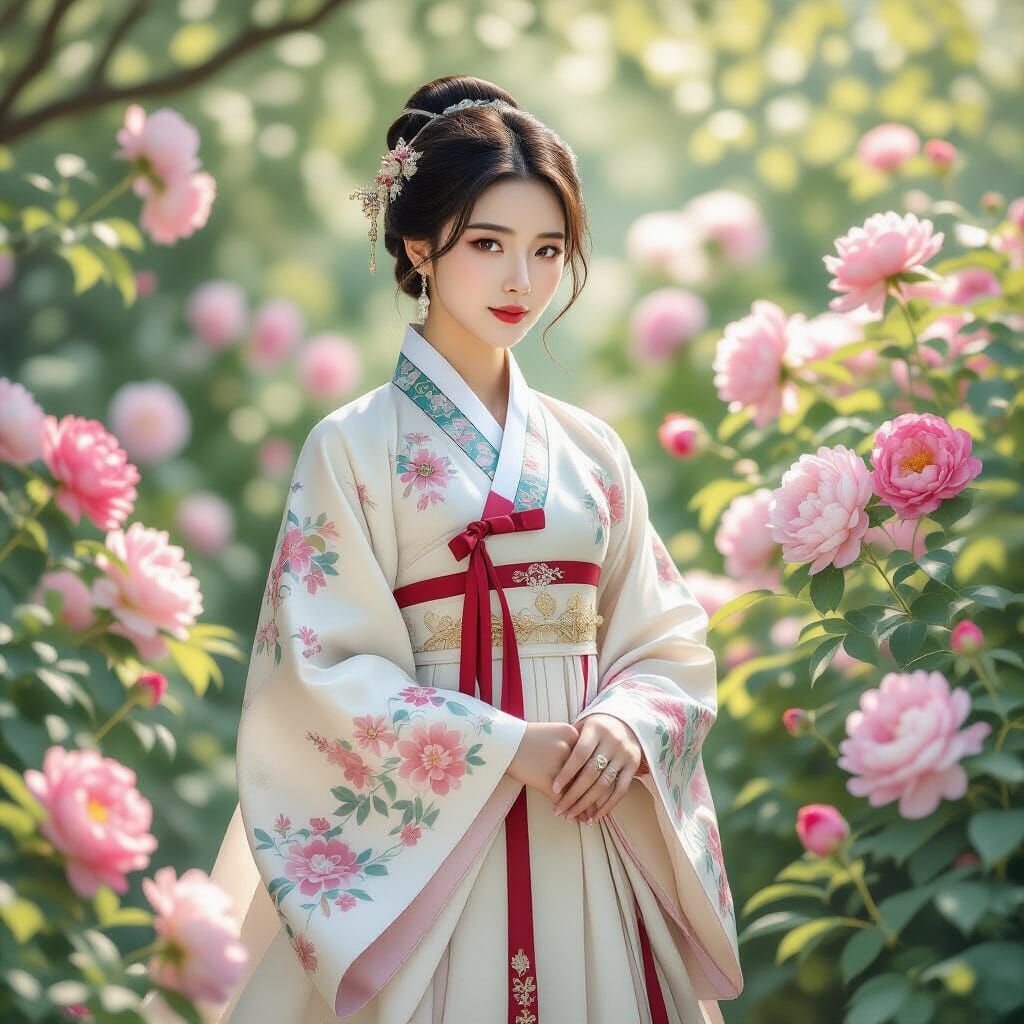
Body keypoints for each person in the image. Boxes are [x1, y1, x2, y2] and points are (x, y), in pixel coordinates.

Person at [206, 75, 743, 1024]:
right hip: (432, 850)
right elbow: (316, 675)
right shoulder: (352, 447)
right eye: (489, 244)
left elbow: (665, 637)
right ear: (420, 246)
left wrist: (626, 727)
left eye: (547, 250)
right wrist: (503, 747)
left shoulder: (590, 451)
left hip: (586, 817)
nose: (520, 281)